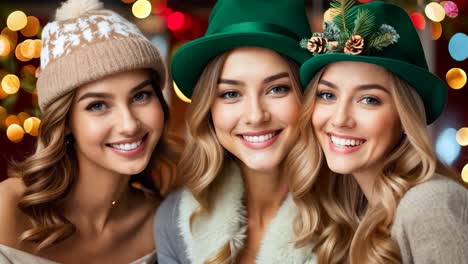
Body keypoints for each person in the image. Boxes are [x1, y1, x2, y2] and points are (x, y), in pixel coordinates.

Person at [0, 0, 179, 263]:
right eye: (97, 105)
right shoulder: (8, 209)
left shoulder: (161, 224)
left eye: (140, 96)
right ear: (66, 121)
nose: (129, 124)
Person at [290, 1, 468, 263]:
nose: (340, 119)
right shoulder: (350, 207)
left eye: (369, 100)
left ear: (403, 115)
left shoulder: (429, 203)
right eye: (327, 95)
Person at [154, 0, 318, 263]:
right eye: (231, 93)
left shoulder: (354, 216)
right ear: (209, 108)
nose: (255, 115)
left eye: (277, 89)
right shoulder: (175, 220)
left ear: (308, 96)